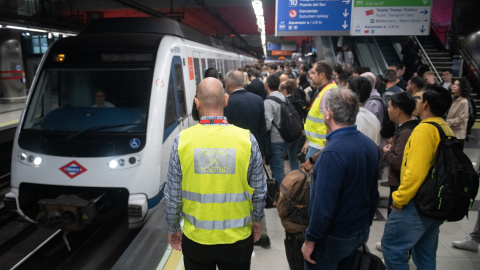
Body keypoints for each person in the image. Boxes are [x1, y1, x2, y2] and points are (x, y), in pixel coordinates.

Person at [164, 77, 266, 269]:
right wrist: (257, 220)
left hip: (197, 240)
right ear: (226, 100)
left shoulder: (182, 141)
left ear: (197, 102)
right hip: (238, 239)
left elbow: (173, 194)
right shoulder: (247, 140)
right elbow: (259, 190)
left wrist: (173, 227)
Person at [302, 87, 380, 269]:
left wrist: (310, 239)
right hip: (358, 230)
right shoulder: (369, 144)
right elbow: (373, 192)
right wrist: (365, 226)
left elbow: (322, 206)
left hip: (333, 238)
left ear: (328, 114)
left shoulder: (332, 153)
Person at [381, 85, 454, 270]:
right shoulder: (444, 127)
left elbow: (414, 173)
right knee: (425, 254)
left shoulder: (423, 130)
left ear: (426, 104)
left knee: (392, 248)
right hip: (435, 202)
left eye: (419, 98)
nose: (416, 101)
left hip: (416, 203)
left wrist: (399, 199)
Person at [301, 61, 338, 160]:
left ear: (322, 75)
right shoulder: (324, 90)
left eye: (313, 73)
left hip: (320, 146)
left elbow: (331, 123)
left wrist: (327, 149)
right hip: (316, 144)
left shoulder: (328, 93)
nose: (310, 76)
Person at [264, 74, 288, 185]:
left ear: (267, 85)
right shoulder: (283, 97)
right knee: (279, 167)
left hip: (275, 139)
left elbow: (268, 125)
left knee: (277, 169)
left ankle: (282, 197)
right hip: (285, 136)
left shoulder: (268, 102)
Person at [349, 76, 381, 146]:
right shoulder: (375, 120)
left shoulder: (348, 120)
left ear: (349, 94)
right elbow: (377, 147)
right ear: (369, 95)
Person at [279, 79, 302, 171]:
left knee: (282, 155)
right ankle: (296, 174)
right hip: (298, 132)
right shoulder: (297, 100)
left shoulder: (284, 103)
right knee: (293, 155)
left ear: (284, 91)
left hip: (288, 133)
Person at [446, 79, 470, 149]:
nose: (454, 86)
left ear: (462, 87)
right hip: (449, 133)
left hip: (458, 135)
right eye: (454, 84)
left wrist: (447, 122)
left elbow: (461, 119)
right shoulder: (452, 98)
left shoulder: (463, 101)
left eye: (457, 85)